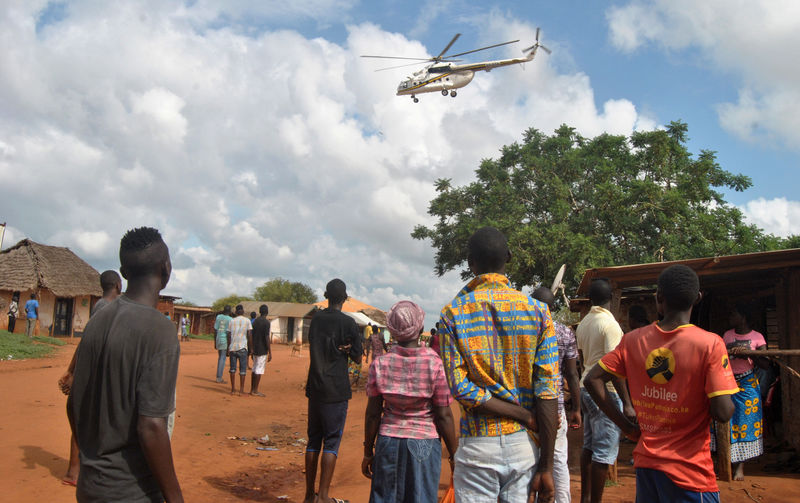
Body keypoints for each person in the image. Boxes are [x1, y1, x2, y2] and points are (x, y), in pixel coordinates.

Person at [584, 264, 737, 502]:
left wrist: (626, 427)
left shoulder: (632, 340)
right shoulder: (710, 344)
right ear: (697, 298)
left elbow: (592, 379)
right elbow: (723, 412)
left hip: (648, 466)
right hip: (690, 473)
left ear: (659, 298)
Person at [439, 227, 559, 503]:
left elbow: (460, 388)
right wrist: (547, 466)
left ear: (470, 263)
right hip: (524, 448)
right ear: (509, 257)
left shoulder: (452, 314)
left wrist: (520, 414)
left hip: (477, 446)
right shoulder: (539, 312)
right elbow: (548, 390)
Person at [67, 227, 182, 503]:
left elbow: (73, 404)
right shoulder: (160, 330)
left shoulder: (97, 321)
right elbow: (152, 427)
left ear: (124, 272)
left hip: (90, 487)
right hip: (132, 492)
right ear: (166, 268)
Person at [362, 300, 457, 502]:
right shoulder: (435, 364)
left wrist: (368, 451)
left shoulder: (380, 364)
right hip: (424, 442)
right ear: (421, 327)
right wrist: (454, 455)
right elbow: (444, 415)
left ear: (393, 331)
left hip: (388, 441)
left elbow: (372, 414)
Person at [58, 270, 122, 487]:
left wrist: (72, 371)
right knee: (84, 420)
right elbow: (91, 343)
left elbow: (86, 341)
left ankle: (76, 470)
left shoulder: (100, 306)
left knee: (82, 420)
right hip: (96, 373)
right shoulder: (109, 308)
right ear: (118, 285)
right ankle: (75, 472)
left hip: (91, 372)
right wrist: (74, 373)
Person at [576, 278, 634, 503]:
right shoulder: (609, 325)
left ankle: (586, 498)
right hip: (604, 391)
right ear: (612, 298)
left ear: (590, 299)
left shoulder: (584, 324)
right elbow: (614, 367)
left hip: (585, 388)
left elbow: (584, 361)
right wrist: (627, 403)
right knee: (603, 452)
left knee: (589, 445)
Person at [303, 279, 362, 503]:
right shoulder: (349, 324)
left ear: (326, 295)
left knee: (313, 441)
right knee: (332, 442)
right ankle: (324, 497)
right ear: (345, 298)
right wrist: (346, 350)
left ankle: (309, 495)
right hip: (336, 389)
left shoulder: (316, 319)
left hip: (315, 387)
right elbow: (357, 357)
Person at [533, 286, 582, 503]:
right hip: (556, 407)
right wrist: (577, 408)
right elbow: (572, 374)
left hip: (527, 407)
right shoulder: (564, 332)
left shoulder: (526, 331)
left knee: (531, 461)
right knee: (559, 460)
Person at [712, 302, 767, 481]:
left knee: (745, 421)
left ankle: (740, 467)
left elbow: (766, 364)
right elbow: (718, 358)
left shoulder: (758, 337)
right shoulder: (727, 336)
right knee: (725, 420)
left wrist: (749, 354)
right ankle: (724, 462)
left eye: (733, 314)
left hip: (748, 383)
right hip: (727, 382)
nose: (730, 318)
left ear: (743, 317)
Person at [228, 304, 252, 396]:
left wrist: (228, 348)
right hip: (243, 348)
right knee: (242, 371)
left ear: (236, 312)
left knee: (232, 370)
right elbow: (249, 335)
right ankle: (241, 390)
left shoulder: (231, 321)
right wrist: (251, 348)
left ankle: (233, 389)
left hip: (233, 348)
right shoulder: (247, 321)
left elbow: (229, 335)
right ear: (242, 311)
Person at [249, 304, 272, 397]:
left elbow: (251, 335)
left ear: (259, 311)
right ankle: (255, 390)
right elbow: (267, 337)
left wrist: (251, 348)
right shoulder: (266, 323)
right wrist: (270, 351)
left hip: (255, 348)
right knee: (259, 369)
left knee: (254, 369)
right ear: (267, 312)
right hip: (262, 349)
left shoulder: (255, 321)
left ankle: (252, 389)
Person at [214, 305, 233, 383]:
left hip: (218, 338)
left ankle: (219, 376)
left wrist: (215, 342)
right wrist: (229, 346)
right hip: (224, 340)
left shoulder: (218, 317)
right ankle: (219, 377)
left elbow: (215, 330)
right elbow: (229, 334)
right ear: (230, 311)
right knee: (222, 358)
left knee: (220, 358)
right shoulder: (230, 319)